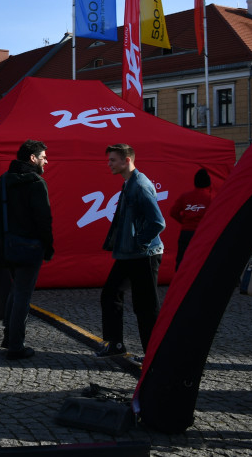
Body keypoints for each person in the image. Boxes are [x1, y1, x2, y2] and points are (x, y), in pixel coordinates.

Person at [97, 143, 166, 358]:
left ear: (127, 160)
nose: (109, 164)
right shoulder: (129, 184)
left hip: (144, 255)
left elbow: (158, 222)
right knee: (110, 294)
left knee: (145, 307)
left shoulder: (140, 186)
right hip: (129, 254)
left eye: (113, 160)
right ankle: (116, 344)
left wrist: (139, 242)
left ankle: (153, 354)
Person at [0, 140, 54, 360]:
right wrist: (48, 246)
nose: (46, 161)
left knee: (15, 290)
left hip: (7, 246)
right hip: (30, 247)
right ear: (32, 158)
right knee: (22, 295)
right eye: (43, 157)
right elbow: (44, 219)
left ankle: (9, 337)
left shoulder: (3, 181)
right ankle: (16, 346)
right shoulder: (36, 182)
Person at [169, 168, 213, 270]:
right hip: (201, 234)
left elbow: (173, 212)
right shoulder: (211, 198)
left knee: (182, 261)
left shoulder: (185, 196)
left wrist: (184, 222)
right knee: (201, 261)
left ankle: (179, 284)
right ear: (208, 182)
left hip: (185, 233)